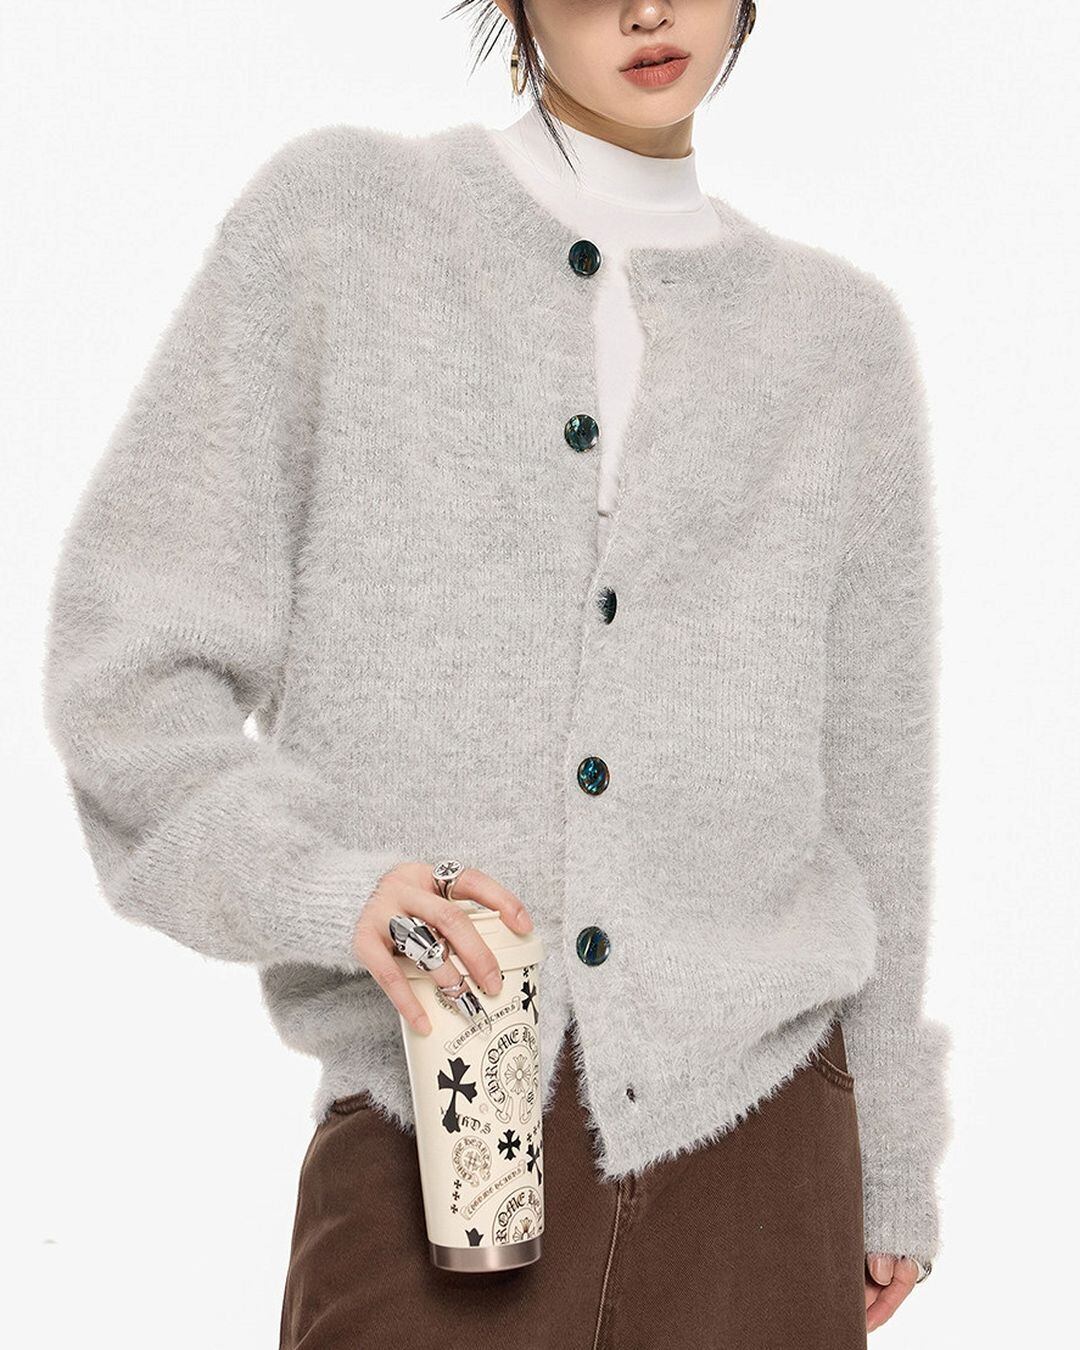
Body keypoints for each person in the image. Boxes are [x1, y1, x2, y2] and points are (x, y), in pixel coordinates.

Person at [42, 1, 951, 1344]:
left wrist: (893, 1156)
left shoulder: (841, 341)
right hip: (433, 1126)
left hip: (765, 1158)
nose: (647, 10)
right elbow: (129, 672)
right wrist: (331, 886)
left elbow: (875, 782)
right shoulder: (341, 227)